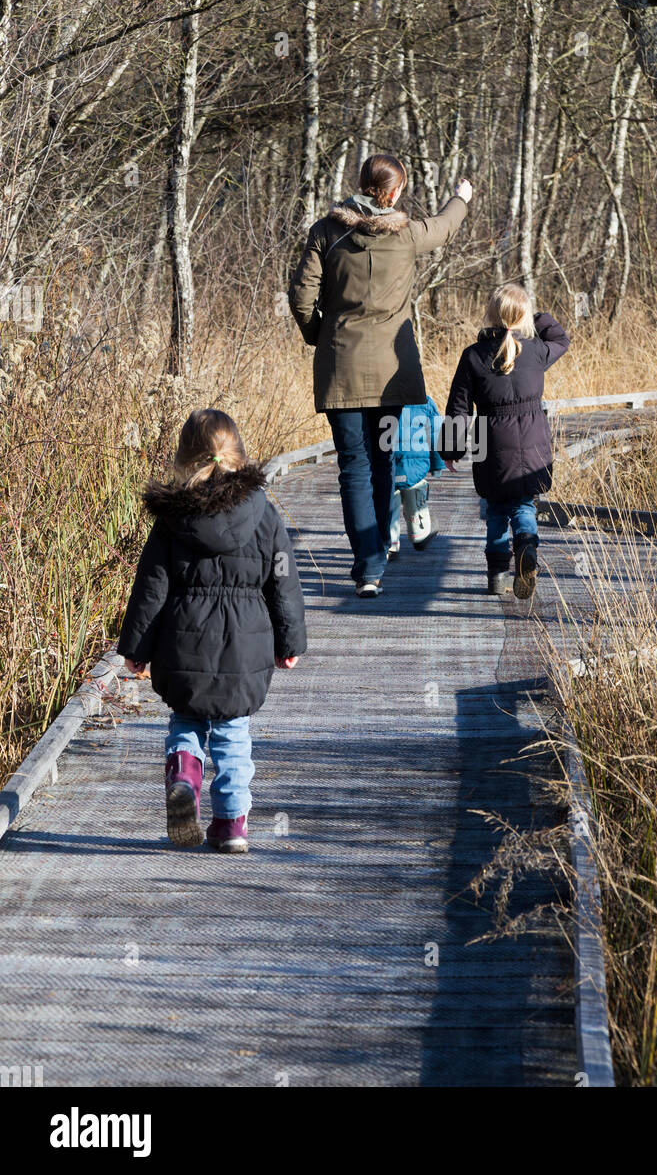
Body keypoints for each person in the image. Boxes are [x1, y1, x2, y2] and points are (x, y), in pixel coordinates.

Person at [116, 409, 306, 853]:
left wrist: (136, 649)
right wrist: (289, 640)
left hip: (183, 645)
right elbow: (283, 579)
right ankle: (232, 826)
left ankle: (185, 773)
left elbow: (152, 588)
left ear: (185, 459)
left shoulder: (172, 521)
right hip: (246, 648)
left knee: (186, 719)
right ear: (239, 454)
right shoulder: (265, 516)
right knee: (233, 735)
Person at [289, 154, 472, 597]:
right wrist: (461, 197)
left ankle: (367, 566)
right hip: (392, 374)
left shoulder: (327, 232)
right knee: (382, 460)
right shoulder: (408, 234)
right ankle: (374, 563)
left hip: (341, 370)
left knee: (353, 466)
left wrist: (321, 336)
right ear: (392, 193)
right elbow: (445, 226)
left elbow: (299, 297)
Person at [441, 284, 569, 599]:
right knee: (524, 504)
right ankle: (526, 544)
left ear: (490, 315)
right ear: (522, 316)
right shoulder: (536, 352)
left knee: (497, 510)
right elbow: (561, 338)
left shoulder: (473, 356)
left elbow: (458, 408)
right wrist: (533, 317)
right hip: (534, 446)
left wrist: (452, 449)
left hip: (491, 448)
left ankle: (497, 576)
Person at [388, 395, 445, 557]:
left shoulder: (380, 400)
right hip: (415, 467)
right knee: (415, 487)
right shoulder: (424, 401)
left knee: (388, 500)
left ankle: (390, 543)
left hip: (386, 465)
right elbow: (435, 436)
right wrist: (437, 464)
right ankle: (419, 531)